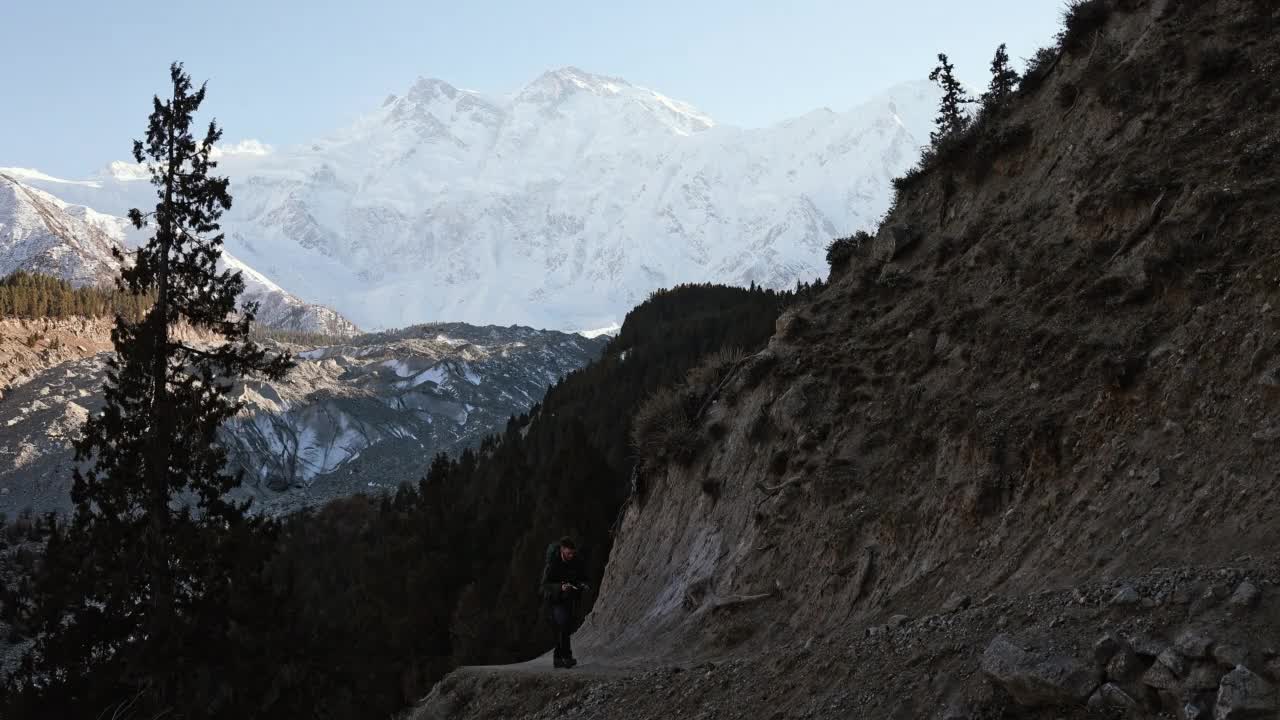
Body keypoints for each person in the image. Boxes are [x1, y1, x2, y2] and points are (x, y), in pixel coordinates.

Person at [540, 535, 589, 668]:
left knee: (563, 627)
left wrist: (583, 584)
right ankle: (567, 657)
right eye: (568, 553)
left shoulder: (575, 561)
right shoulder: (553, 564)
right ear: (562, 550)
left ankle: (557, 659)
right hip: (555, 600)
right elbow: (544, 585)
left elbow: (582, 577)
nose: (571, 556)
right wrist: (560, 587)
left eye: (573, 553)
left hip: (569, 598)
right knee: (564, 624)